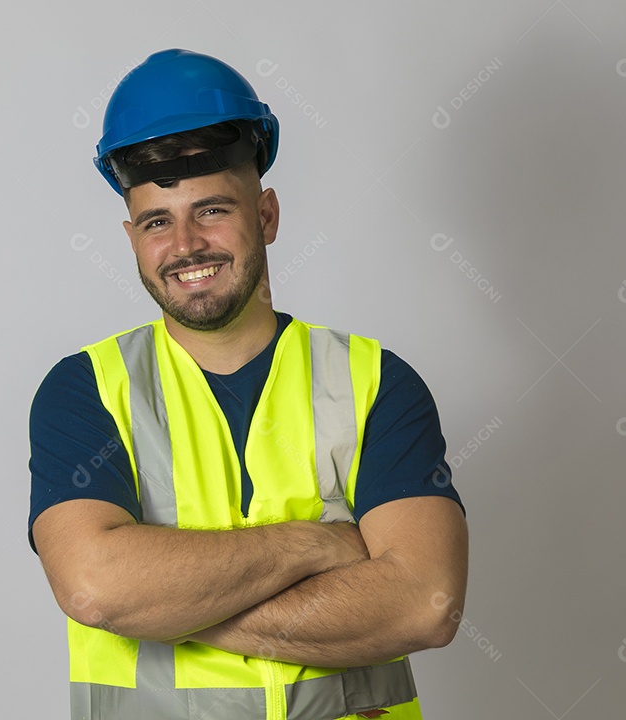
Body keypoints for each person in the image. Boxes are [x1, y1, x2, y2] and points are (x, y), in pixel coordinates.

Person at [28, 48, 468, 720]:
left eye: (211, 210)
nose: (185, 245)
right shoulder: (85, 391)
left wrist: (163, 606)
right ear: (131, 237)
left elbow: (425, 605)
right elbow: (95, 588)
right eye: (156, 221)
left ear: (266, 216)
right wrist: (318, 544)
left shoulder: (375, 382)